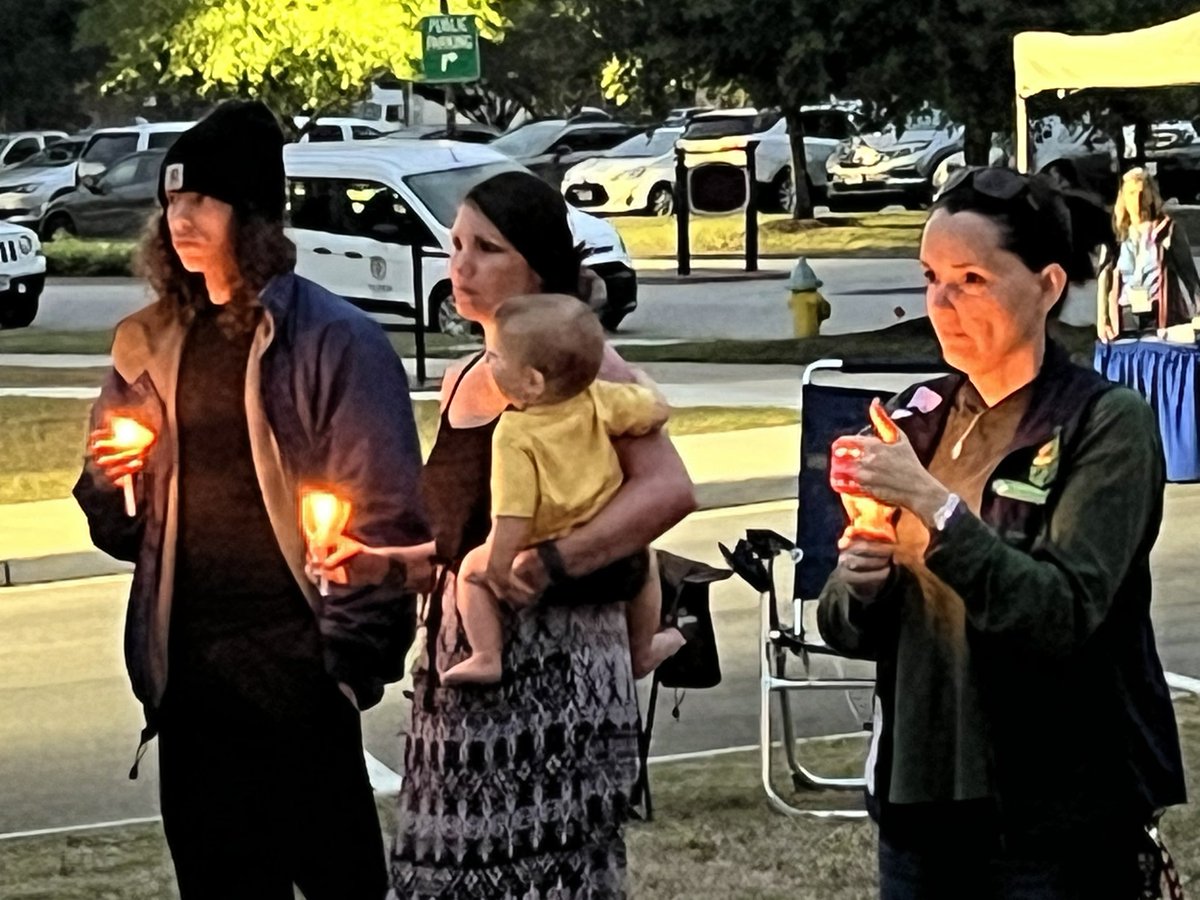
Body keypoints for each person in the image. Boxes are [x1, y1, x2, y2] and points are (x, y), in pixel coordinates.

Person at [72, 100, 430, 899]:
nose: (180, 220)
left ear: (255, 214)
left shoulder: (333, 341)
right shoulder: (149, 341)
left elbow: (385, 507)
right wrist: (111, 480)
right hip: (191, 671)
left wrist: (345, 667)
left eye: (201, 201)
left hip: (298, 661)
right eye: (170, 203)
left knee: (338, 881)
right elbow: (125, 531)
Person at [818, 166, 1186, 899]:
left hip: (1053, 815)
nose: (942, 305)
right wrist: (860, 583)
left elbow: (1060, 610)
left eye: (972, 280)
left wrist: (936, 507)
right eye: (930, 278)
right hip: (920, 805)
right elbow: (846, 624)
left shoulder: (1104, 423)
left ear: (1048, 286)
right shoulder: (914, 417)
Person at [332, 170, 695, 898]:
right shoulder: (465, 374)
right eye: (456, 244)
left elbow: (668, 488)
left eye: (486, 248)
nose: (459, 265)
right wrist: (382, 567)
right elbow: (463, 541)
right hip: (458, 681)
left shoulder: (571, 367)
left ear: (534, 266)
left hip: (557, 675)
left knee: (541, 878)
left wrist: (551, 562)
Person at [1098, 165, 1200, 340]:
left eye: (1142, 193)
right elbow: (1103, 278)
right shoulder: (1116, 236)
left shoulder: (1168, 230)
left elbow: (1189, 275)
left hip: (1161, 318)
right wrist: (1102, 319)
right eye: (1131, 194)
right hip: (1123, 320)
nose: (1137, 201)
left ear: (1151, 196)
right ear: (1123, 199)